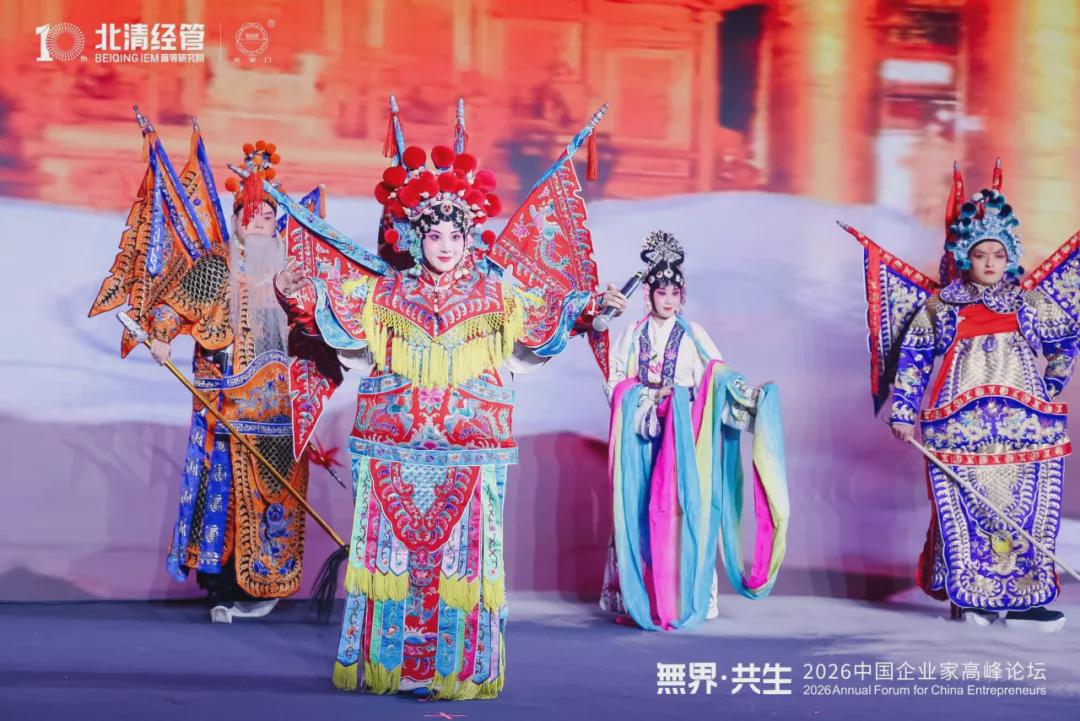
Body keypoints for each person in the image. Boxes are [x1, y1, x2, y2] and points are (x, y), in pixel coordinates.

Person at [274, 113, 623, 697]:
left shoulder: (496, 293)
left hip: (469, 451)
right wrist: (296, 295)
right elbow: (334, 325)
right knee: (391, 561)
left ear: (468, 239)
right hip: (393, 448)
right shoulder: (385, 291)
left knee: (464, 563)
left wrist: (591, 310)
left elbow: (544, 325)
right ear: (417, 237)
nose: (444, 246)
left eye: (454, 237)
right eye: (434, 236)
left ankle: (454, 669)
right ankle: (391, 666)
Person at [91, 124, 312, 623]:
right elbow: (173, 308)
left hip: (280, 410)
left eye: (268, 218)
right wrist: (162, 335)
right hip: (228, 402)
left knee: (275, 493)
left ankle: (267, 582)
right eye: (251, 217)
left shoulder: (291, 270)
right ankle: (225, 584)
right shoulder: (217, 266)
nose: (260, 226)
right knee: (226, 492)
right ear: (236, 220)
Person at [844, 160, 1077, 632]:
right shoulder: (941, 307)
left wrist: (1049, 386)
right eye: (980, 254)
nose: (989, 263)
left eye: (997, 254)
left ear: (1009, 257)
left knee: (1027, 508)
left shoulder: (1030, 303)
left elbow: (1064, 343)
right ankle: (974, 597)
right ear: (965, 257)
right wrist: (903, 412)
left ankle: (1024, 601)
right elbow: (912, 360)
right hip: (959, 423)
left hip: (1026, 424)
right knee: (970, 509)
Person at [598, 231, 790, 631]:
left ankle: (684, 595)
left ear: (682, 295)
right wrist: (643, 396)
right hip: (640, 439)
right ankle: (640, 597)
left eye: (675, 292)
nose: (668, 300)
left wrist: (744, 395)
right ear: (648, 294)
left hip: (682, 440)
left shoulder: (693, 335)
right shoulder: (632, 335)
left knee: (681, 510)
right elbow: (614, 382)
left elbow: (717, 378)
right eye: (661, 292)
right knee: (637, 510)